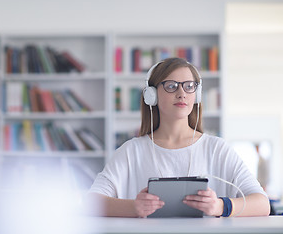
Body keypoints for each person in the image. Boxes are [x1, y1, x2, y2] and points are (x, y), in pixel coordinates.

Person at [86, 57, 270, 218]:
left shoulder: (217, 149)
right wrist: (133, 207)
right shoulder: (131, 151)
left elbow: (262, 204)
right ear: (152, 95)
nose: (182, 93)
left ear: (196, 95)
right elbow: (90, 202)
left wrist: (220, 206)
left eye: (189, 86)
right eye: (171, 85)